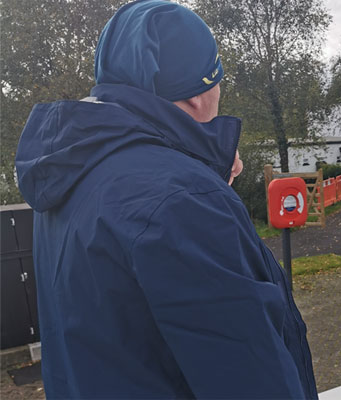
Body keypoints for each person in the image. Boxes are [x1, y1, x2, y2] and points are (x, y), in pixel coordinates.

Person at [15, 1, 317, 398]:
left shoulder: (70, 170)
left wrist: (200, 177)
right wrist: (201, 191)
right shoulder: (183, 199)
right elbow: (251, 376)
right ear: (197, 94)